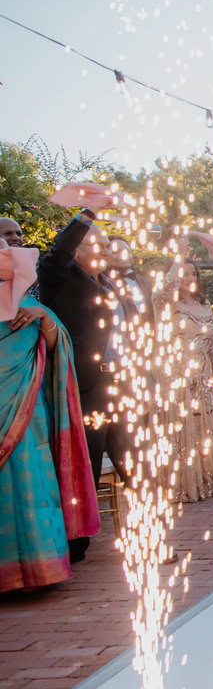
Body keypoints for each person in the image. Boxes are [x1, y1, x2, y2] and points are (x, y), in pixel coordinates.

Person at [1, 241, 100, 593]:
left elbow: (60, 352)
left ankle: (38, 571)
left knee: (33, 482)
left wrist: (45, 320)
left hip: (30, 414)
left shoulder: (31, 307)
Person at [37, 209, 123, 561]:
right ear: (78, 248)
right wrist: (85, 217)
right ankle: (74, 540)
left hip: (118, 381)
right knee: (85, 457)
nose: (105, 251)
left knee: (130, 454)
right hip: (84, 384)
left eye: (107, 245)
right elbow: (58, 253)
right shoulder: (60, 274)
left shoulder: (109, 282)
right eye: (97, 244)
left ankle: (150, 528)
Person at [153, 259, 213, 502]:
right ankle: (181, 485)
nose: (189, 278)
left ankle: (207, 481)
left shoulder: (204, 304)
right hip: (176, 373)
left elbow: (212, 344)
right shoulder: (166, 303)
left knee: (205, 425)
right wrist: (178, 256)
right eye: (183, 274)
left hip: (202, 374)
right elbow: (165, 288)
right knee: (182, 425)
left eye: (192, 274)